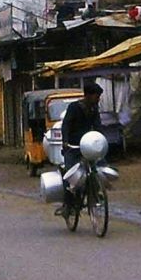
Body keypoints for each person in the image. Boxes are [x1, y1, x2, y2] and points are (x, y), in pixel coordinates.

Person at [57, 81, 104, 216]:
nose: (98, 99)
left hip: (88, 145)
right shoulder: (74, 107)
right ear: (88, 96)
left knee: (97, 168)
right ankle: (68, 205)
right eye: (97, 96)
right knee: (70, 175)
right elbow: (65, 126)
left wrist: (100, 139)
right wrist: (65, 142)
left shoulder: (94, 109)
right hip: (73, 146)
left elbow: (98, 126)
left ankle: (94, 194)